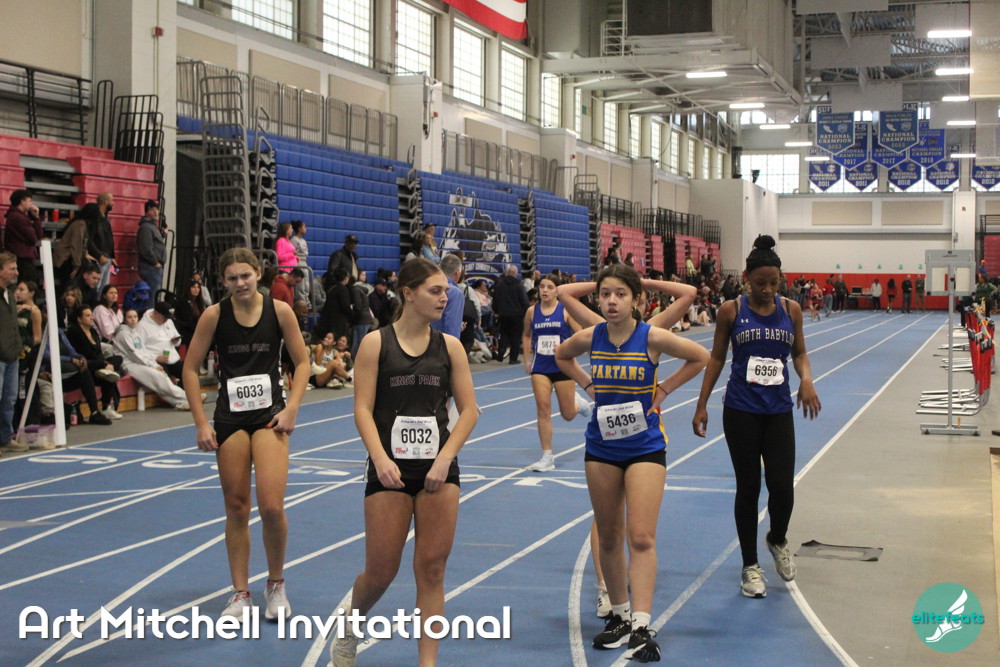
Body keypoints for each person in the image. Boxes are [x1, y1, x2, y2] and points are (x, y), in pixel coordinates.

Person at [554, 264, 708, 663]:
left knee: (640, 536)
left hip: (644, 448)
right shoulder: (592, 336)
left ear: (636, 299)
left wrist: (665, 389)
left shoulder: (651, 336)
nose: (611, 301)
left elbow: (700, 356)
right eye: (605, 293)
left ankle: (642, 624)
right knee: (608, 536)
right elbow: (561, 355)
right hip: (602, 448)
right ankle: (620, 616)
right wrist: (587, 384)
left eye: (621, 293)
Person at [329, 258, 477, 667]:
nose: (444, 298)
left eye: (446, 291)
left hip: (439, 471)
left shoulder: (450, 348)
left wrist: (445, 459)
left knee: (432, 570)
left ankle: (427, 663)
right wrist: (379, 459)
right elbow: (362, 409)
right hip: (389, 470)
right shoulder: (376, 344)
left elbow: (469, 411)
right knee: (381, 572)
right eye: (435, 290)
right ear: (408, 293)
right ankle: (351, 626)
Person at [181, 247, 310, 621]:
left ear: (258, 273)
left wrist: (292, 407)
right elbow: (189, 369)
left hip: (270, 416)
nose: (240, 283)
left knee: (271, 506)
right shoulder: (214, 315)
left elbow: (302, 362)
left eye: (245, 276)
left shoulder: (279, 311)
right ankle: (240, 594)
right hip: (230, 419)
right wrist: (201, 422)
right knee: (237, 507)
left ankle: (276, 585)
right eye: (232, 278)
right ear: (223, 281)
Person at [692, 235, 821, 600]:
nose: (767, 290)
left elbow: (799, 353)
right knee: (748, 487)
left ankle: (777, 539)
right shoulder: (730, 311)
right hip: (741, 411)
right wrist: (702, 404)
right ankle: (750, 565)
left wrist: (806, 380)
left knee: (782, 487)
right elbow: (717, 358)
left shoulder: (791, 310)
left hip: (778, 411)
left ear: (781, 281)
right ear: (747, 278)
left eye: (773, 283)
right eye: (760, 283)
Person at [520, 273, 590, 472]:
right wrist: (527, 359)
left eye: (550, 287)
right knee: (543, 409)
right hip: (540, 367)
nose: (544, 290)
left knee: (568, 414)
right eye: (542, 286)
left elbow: (581, 334)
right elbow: (526, 335)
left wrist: (568, 349)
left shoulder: (565, 310)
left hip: (563, 366)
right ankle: (547, 456)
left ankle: (578, 403)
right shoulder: (532, 312)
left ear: (557, 291)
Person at [114, 308, 191, 410]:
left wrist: (154, 364)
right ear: (124, 319)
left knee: (161, 375)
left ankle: (182, 401)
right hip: (128, 364)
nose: (133, 319)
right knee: (157, 376)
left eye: (135, 317)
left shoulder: (135, 332)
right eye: (129, 317)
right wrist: (152, 366)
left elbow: (144, 351)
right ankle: (186, 399)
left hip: (140, 362)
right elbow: (134, 354)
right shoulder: (123, 334)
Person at [66, 305, 124, 420]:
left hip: (98, 364)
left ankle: (106, 407)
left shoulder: (93, 331)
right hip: (85, 364)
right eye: (88, 315)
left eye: (91, 315)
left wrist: (105, 364)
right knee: (107, 371)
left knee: (117, 359)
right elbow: (85, 353)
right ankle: (105, 407)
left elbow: (99, 352)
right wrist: (103, 363)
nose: (92, 318)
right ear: (79, 319)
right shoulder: (74, 331)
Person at [0, 252, 22, 447]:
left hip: (12, 356)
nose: (16, 272)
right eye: (12, 269)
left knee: (9, 401)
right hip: (0, 356)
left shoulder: (11, 294)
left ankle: (6, 438)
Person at [137, 301, 184, 381]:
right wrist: (155, 358)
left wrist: (176, 341)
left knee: (188, 373)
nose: (166, 320)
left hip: (174, 358)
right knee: (165, 380)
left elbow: (178, 339)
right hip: (156, 362)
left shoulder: (168, 321)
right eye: (164, 317)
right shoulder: (142, 326)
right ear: (156, 313)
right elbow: (139, 349)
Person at [3, 189, 43, 284]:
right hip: (22, 258)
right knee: (27, 284)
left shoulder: (16, 216)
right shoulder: (18, 217)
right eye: (29, 201)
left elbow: (37, 236)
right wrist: (36, 219)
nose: (31, 204)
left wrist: (36, 218)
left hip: (21, 257)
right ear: (22, 201)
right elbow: (34, 238)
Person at [52, 203, 96, 289]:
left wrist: (85, 254)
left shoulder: (81, 223)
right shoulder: (80, 224)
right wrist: (76, 266)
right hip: (66, 260)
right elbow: (76, 245)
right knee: (69, 286)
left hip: (68, 259)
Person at [493, 264, 529, 364]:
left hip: (503, 314)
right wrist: (526, 311)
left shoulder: (500, 284)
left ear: (507, 273)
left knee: (504, 334)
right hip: (517, 315)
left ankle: (501, 350)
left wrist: (496, 311)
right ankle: (513, 358)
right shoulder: (519, 285)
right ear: (516, 274)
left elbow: (495, 299)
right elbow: (524, 300)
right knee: (516, 337)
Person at [428, 253, 464, 341]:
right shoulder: (455, 293)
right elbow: (452, 327)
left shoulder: (428, 287)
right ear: (458, 272)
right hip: (441, 344)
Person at [136, 199, 165, 300]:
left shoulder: (151, 227)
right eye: (153, 209)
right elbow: (146, 248)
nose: (156, 212)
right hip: (151, 267)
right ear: (147, 210)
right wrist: (155, 262)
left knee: (154, 295)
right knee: (153, 296)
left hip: (153, 267)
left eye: (157, 209)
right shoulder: (146, 227)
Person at [90, 192, 117, 291]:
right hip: (99, 258)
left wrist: (111, 256)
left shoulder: (105, 218)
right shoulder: (95, 218)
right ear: (105, 201)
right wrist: (99, 255)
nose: (113, 203)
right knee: (96, 287)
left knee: (104, 288)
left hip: (107, 257)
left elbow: (108, 238)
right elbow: (90, 239)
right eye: (111, 200)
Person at [316, 267, 352, 341]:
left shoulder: (331, 288)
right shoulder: (343, 289)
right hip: (338, 323)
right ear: (345, 278)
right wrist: (352, 315)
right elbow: (345, 306)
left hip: (328, 321)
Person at [174, 279, 208, 347]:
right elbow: (187, 322)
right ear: (188, 288)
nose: (196, 289)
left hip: (195, 331)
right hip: (186, 333)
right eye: (193, 287)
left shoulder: (199, 303)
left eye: (198, 287)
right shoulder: (184, 302)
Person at [290, 220, 310, 302]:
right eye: (304, 227)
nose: (305, 229)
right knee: (300, 285)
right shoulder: (294, 240)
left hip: (304, 262)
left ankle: (307, 302)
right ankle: (301, 302)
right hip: (298, 262)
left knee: (306, 284)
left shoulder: (303, 240)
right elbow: (292, 252)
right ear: (299, 228)